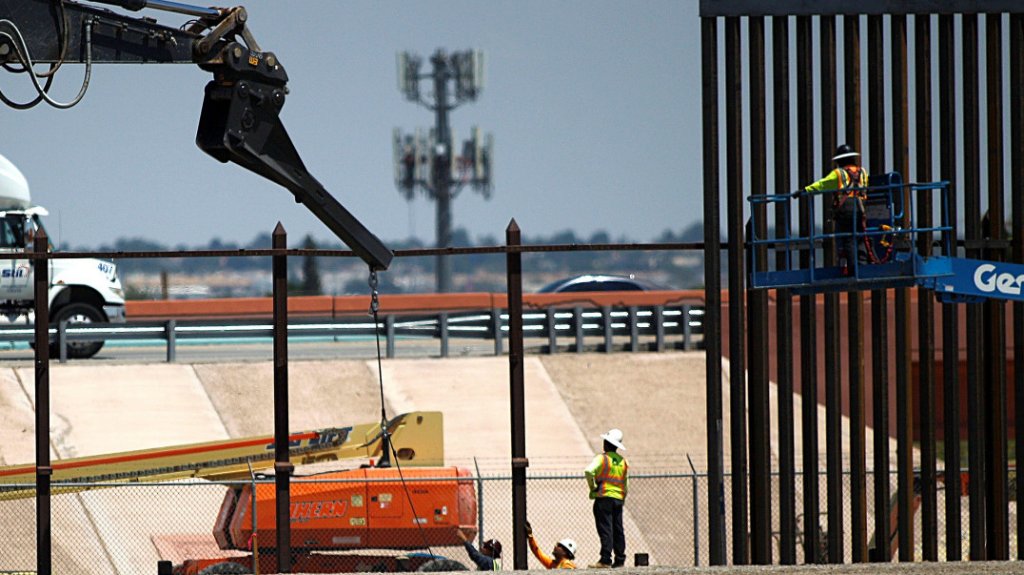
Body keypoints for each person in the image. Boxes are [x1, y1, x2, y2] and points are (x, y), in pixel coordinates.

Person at [804, 144, 870, 272]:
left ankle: (853, 268)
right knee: (861, 236)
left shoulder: (838, 173)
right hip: (861, 207)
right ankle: (863, 265)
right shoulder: (863, 172)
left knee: (848, 238)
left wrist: (805, 190)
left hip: (847, 208)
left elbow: (823, 184)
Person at [584, 428, 629, 568]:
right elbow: (625, 483)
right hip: (618, 498)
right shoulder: (623, 462)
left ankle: (605, 559)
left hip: (603, 497)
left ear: (606, 443)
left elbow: (589, 471)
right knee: (618, 528)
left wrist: (593, 488)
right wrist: (622, 497)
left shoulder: (602, 459)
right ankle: (620, 559)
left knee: (605, 528)